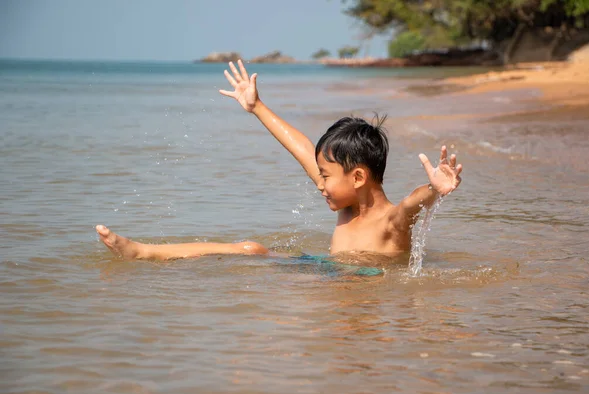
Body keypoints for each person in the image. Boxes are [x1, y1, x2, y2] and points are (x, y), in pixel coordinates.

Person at [96, 60, 462, 261]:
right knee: (251, 249)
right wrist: (257, 108)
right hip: (326, 273)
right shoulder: (347, 204)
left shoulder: (390, 222)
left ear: (358, 177)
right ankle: (144, 252)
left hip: (362, 291)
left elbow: (412, 204)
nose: (319, 183)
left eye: (325, 175)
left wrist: (435, 188)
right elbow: (302, 147)